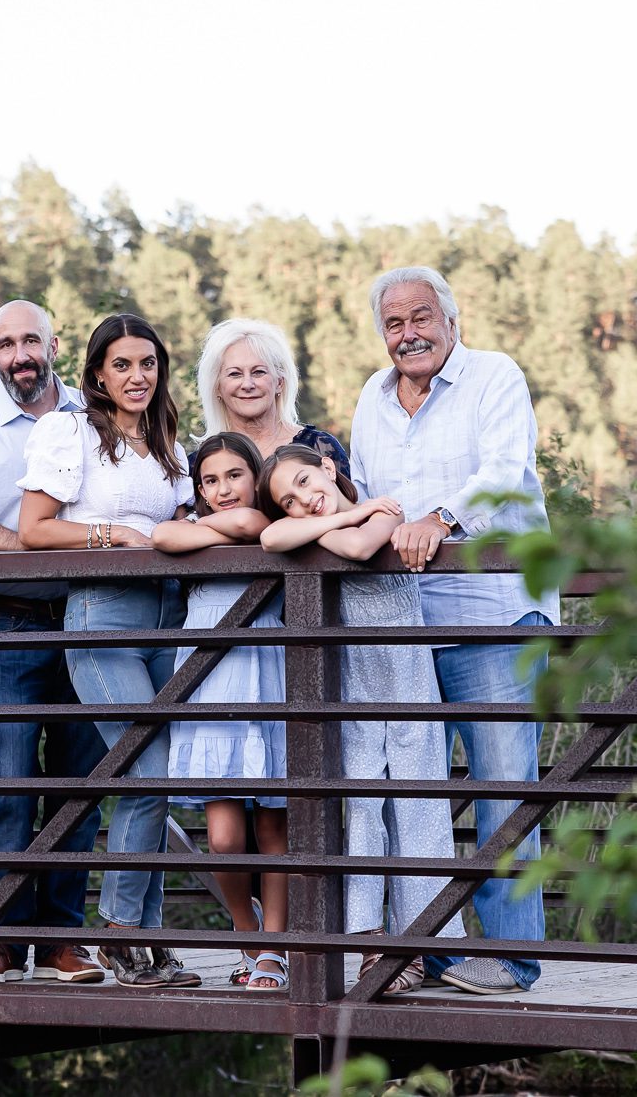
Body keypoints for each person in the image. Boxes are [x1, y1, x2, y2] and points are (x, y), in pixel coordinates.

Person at [348, 265, 560, 996]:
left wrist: (436, 519)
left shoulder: (494, 377)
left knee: (504, 789)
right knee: (411, 792)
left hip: (494, 610)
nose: (409, 334)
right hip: (404, 624)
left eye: (420, 318)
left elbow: (505, 474)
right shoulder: (372, 400)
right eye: (394, 323)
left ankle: (507, 958)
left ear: (451, 319)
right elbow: (367, 495)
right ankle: (422, 950)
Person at [18, 314, 199, 988]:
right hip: (101, 613)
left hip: (168, 616)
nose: (136, 376)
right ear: (96, 372)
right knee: (143, 766)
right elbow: (34, 529)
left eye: (147, 363)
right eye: (121, 365)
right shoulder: (68, 431)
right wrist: (114, 534)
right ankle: (121, 935)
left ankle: (144, 940)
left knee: (161, 774)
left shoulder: (170, 439)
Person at [0, 300, 107, 986]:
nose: (20, 355)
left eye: (30, 339)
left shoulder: (97, 419)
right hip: (8, 621)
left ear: (54, 343)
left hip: (97, 619)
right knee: (7, 784)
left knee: (80, 785)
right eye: (5, 344)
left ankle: (62, 939)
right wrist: (52, 549)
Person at [257, 443, 463, 996]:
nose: (303, 499)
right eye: (289, 500)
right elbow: (270, 537)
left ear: (328, 466)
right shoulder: (342, 516)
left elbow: (358, 547)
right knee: (366, 809)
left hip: (409, 681)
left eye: (305, 481)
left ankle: (421, 942)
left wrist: (333, 521)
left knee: (420, 808)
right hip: (355, 690)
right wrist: (335, 516)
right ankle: (373, 944)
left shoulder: (386, 510)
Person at [152, 431, 286, 992]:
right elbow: (159, 535)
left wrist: (195, 530)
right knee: (226, 837)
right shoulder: (196, 528)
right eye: (210, 480)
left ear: (255, 477)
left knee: (274, 825)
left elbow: (249, 526)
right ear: (198, 487)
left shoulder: (269, 526)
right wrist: (196, 528)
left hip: (268, 676)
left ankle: (277, 950)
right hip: (209, 685)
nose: (223, 489)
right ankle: (247, 932)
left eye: (234, 475)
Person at [195, 317, 347, 472]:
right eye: (235, 374)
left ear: (279, 383)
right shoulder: (200, 463)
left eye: (258, 372)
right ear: (217, 387)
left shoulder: (320, 448)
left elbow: (346, 496)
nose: (248, 384)